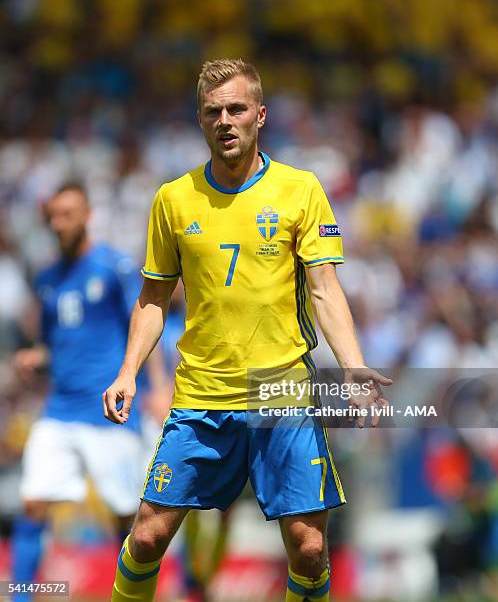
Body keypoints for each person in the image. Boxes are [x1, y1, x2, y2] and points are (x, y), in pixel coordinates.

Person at [104, 59, 392, 602]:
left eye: (237, 109)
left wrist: (353, 367)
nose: (225, 120)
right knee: (146, 536)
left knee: (309, 548)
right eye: (213, 111)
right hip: (201, 394)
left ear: (260, 115)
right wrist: (128, 373)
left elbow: (325, 290)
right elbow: (153, 297)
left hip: (280, 390)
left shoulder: (300, 190)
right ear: (200, 120)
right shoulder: (173, 199)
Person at [11, 183, 161, 600]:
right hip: (59, 409)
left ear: (87, 215)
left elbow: (145, 324)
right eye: (54, 216)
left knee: (126, 519)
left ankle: (131, 595)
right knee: (33, 504)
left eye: (68, 214)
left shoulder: (114, 267)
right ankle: (20, 595)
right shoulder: (47, 279)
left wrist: (159, 387)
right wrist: (35, 358)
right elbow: (55, 344)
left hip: (107, 411)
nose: (60, 224)